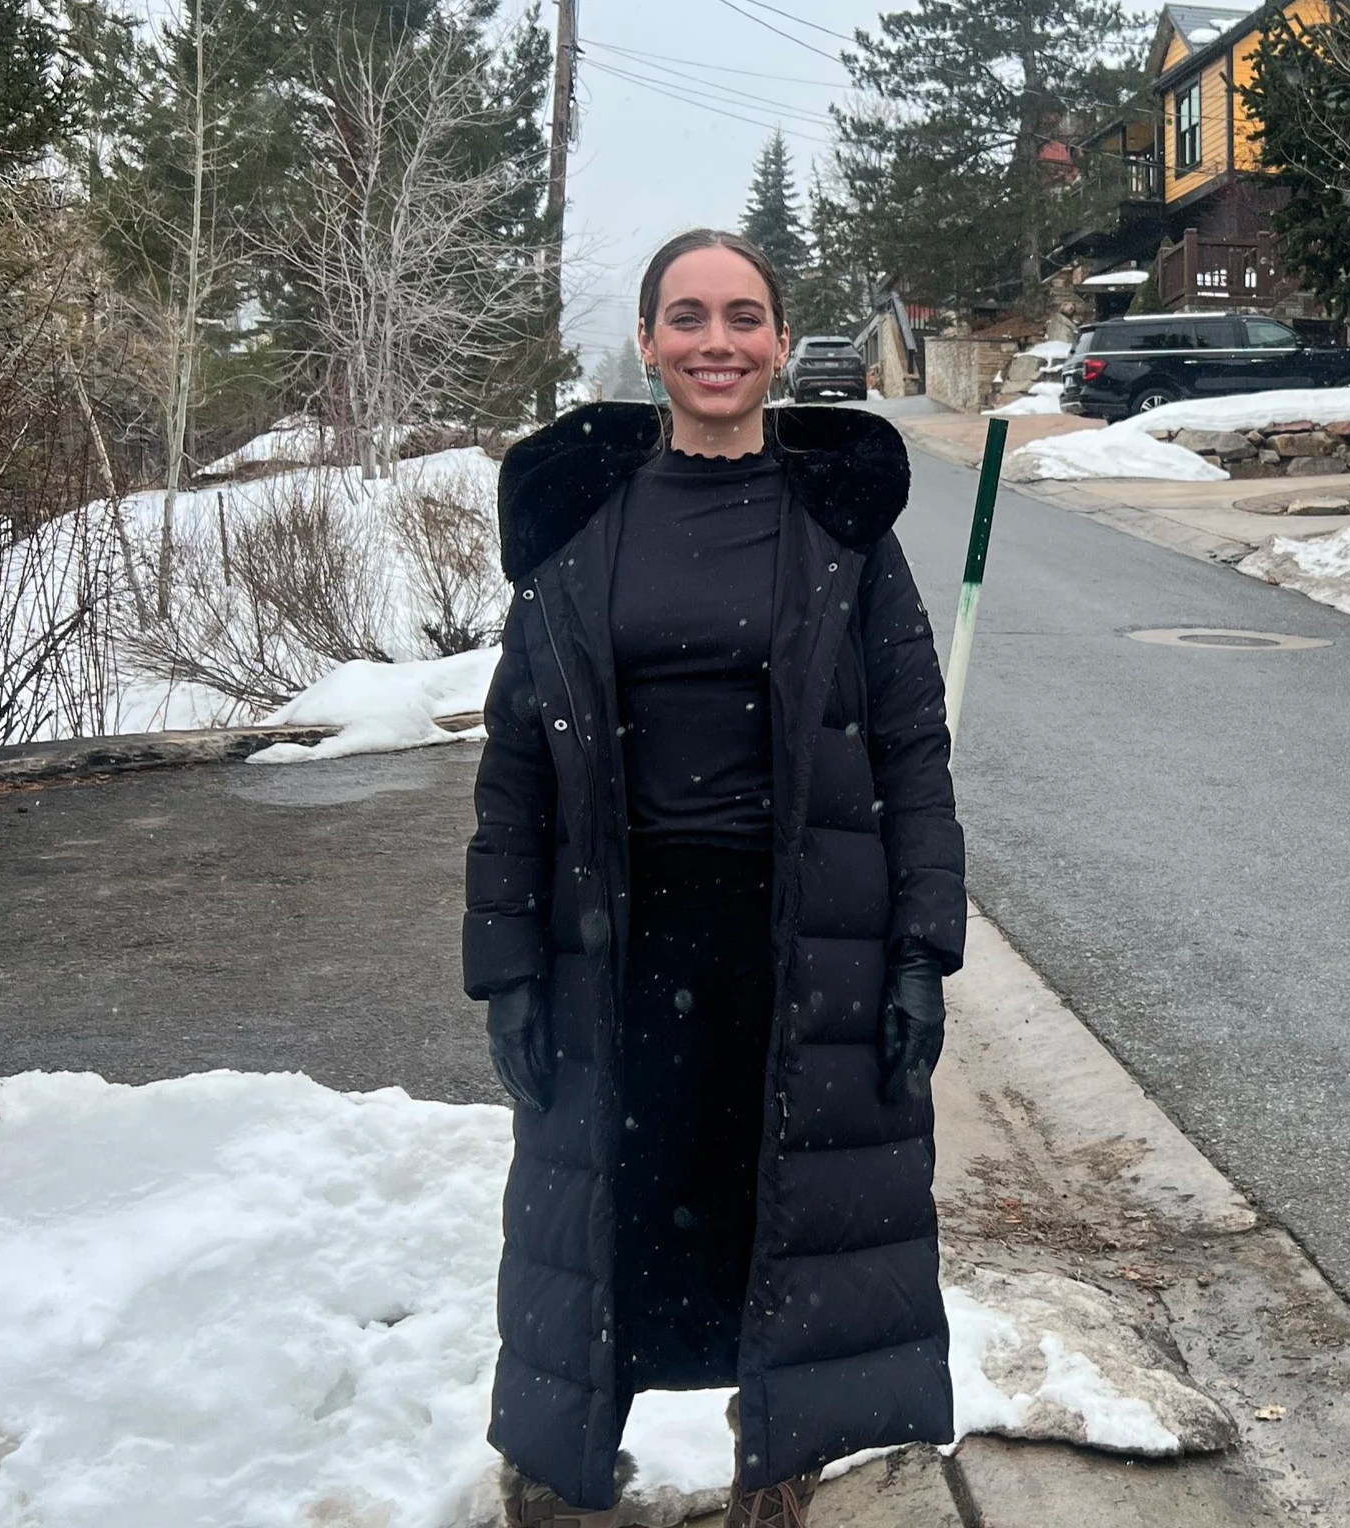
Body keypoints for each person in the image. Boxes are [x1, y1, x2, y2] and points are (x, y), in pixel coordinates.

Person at [464, 228, 966, 1528]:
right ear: (648, 343)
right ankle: (564, 1478)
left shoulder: (840, 525)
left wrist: (920, 948)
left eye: (743, 315)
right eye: (687, 316)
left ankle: (777, 1478)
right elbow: (517, 756)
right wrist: (507, 963)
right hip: (617, 944)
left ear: (778, 338)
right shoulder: (583, 520)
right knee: (607, 1221)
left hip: (801, 943)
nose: (717, 340)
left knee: (783, 1212)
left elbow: (911, 745)